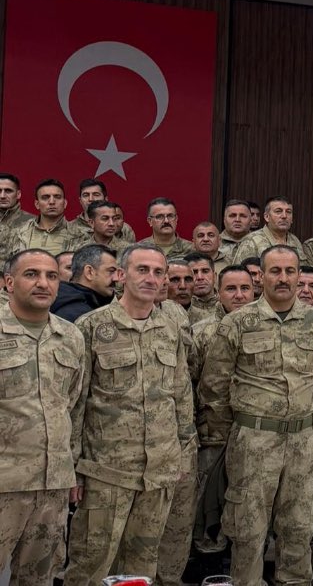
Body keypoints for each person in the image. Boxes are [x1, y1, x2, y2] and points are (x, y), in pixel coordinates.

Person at [197, 244, 313, 586]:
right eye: (275, 271)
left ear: (299, 276)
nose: (283, 278)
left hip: (305, 441)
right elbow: (213, 387)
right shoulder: (238, 322)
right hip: (253, 440)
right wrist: (232, 433)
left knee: (299, 527)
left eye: (289, 271)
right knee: (248, 530)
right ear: (260, 276)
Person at [67, 245, 196, 585]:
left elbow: (181, 395)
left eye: (157, 272)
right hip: (107, 472)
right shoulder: (91, 327)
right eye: (142, 269)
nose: (150, 278)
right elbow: (76, 402)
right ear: (121, 275)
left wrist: (183, 455)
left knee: (142, 569)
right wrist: (72, 468)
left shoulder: (170, 328)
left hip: (158, 472)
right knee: (90, 566)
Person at [0, 250, 85, 584]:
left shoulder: (70, 336)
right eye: (31, 274)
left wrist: (70, 471)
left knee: (39, 577)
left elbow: (73, 405)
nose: (43, 283)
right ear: (9, 283)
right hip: (4, 481)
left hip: (52, 484)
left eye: (51, 275)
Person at [5, 179, 82, 257]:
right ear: (37, 204)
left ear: (65, 203)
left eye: (57, 197)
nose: (52, 202)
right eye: (45, 197)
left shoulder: (79, 235)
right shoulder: (20, 233)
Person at [50, 243, 117, 321]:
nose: (116, 278)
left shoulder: (92, 303)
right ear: (89, 272)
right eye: (111, 271)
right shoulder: (80, 316)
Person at [231, 196, 307, 264]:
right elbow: (239, 274)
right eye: (278, 211)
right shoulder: (252, 240)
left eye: (288, 212)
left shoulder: (295, 241)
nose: (284, 216)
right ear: (267, 217)